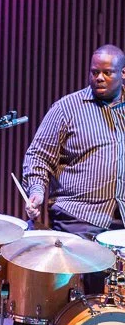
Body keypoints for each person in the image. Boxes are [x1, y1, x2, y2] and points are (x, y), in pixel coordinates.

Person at [23, 44, 125, 293]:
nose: (99, 77)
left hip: (120, 219)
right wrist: (36, 191)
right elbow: (38, 157)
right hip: (78, 218)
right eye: (94, 72)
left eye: (107, 72)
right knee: (86, 299)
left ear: (123, 74)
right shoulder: (67, 108)